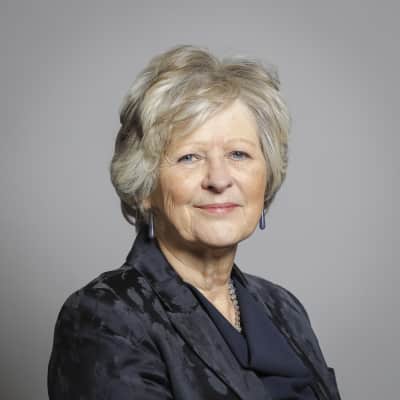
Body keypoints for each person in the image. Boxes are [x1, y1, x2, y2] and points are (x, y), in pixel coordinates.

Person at [47, 45, 341, 400]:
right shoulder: (105, 317)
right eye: (189, 157)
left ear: (267, 177)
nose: (219, 179)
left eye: (238, 154)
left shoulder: (284, 308)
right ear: (145, 187)